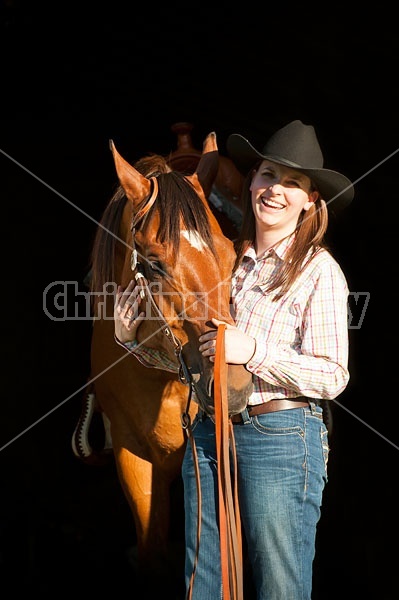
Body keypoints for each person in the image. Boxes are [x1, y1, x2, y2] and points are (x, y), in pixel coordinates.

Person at [114, 119, 354, 599]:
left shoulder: (319, 271)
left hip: (280, 438)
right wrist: (129, 339)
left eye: (293, 183)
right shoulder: (227, 260)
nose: (275, 190)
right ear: (251, 181)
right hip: (208, 432)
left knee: (278, 587)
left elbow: (333, 375)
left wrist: (253, 351)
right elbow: (195, 360)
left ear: (311, 200)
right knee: (202, 584)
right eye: (268, 175)